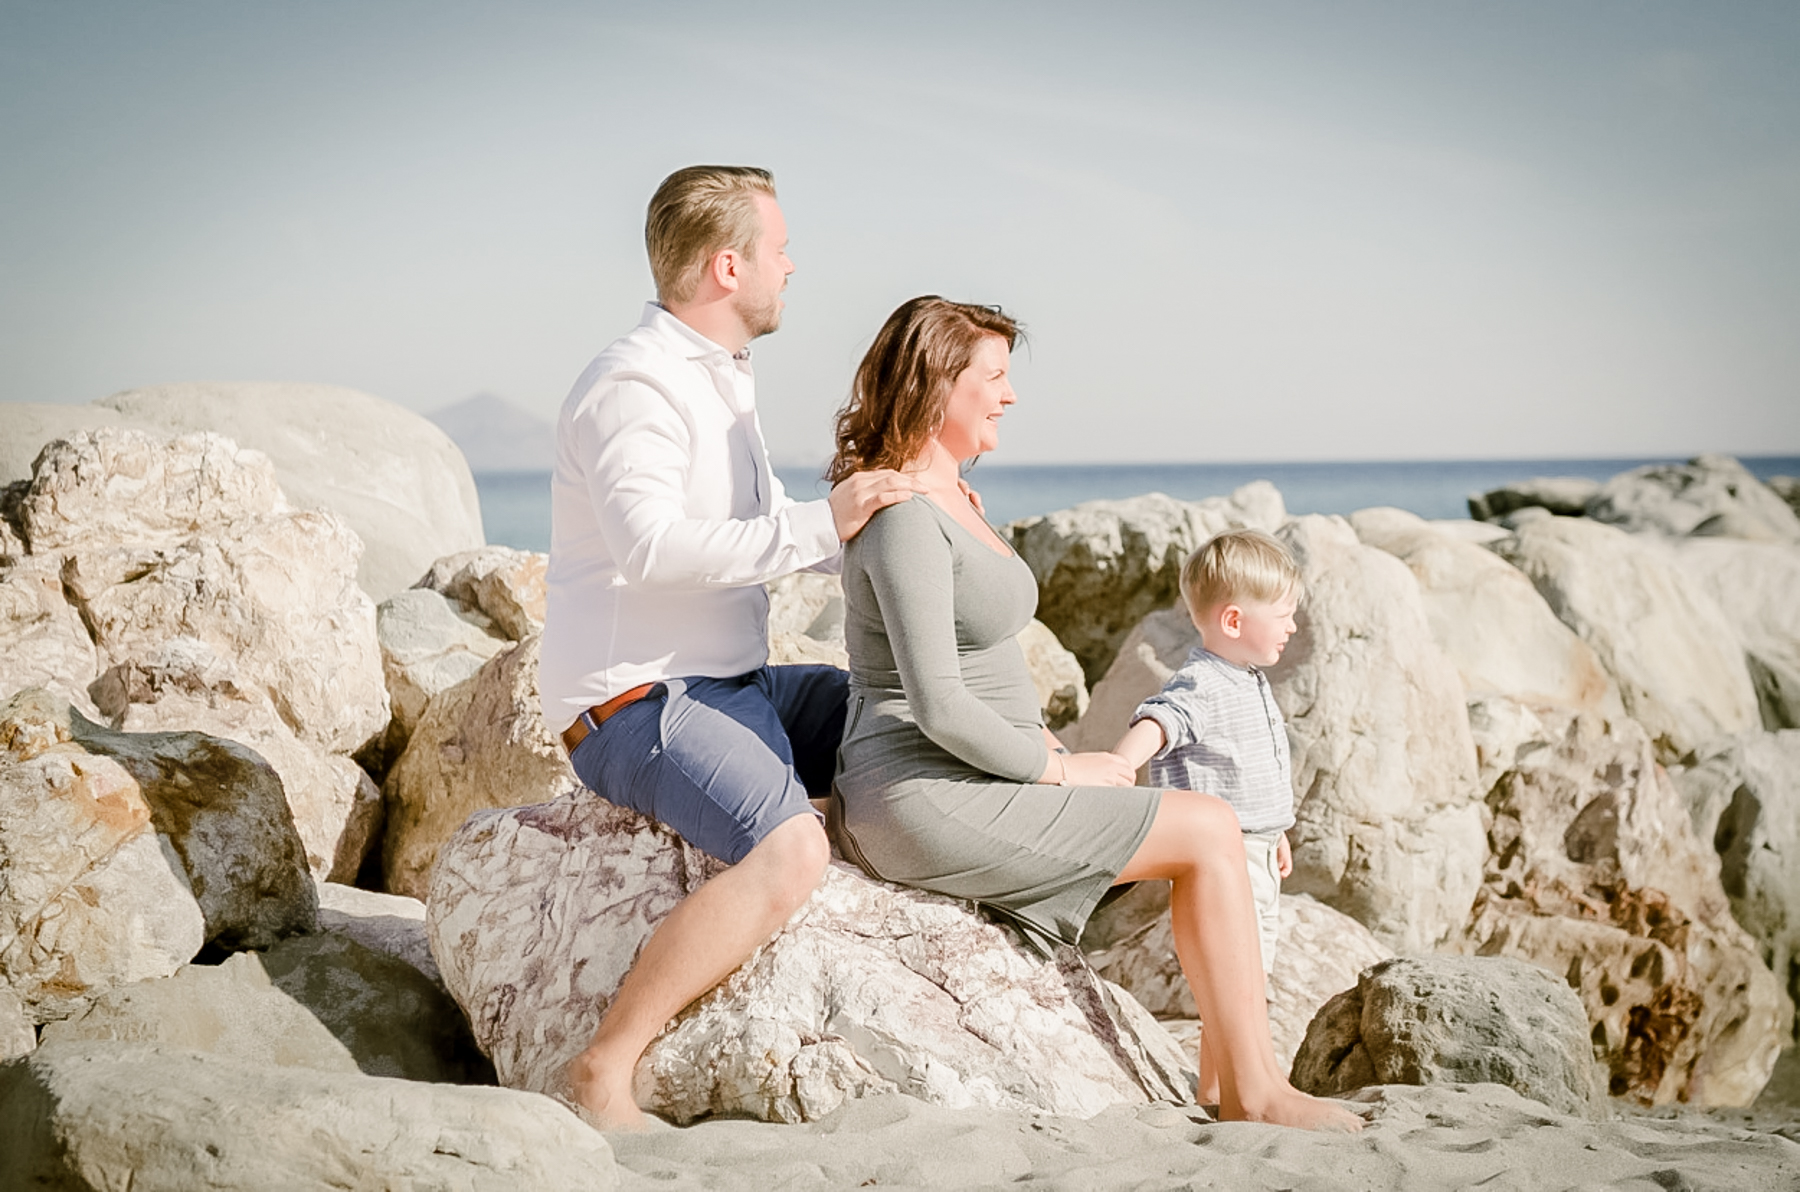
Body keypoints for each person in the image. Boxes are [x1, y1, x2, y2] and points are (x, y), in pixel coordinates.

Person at [825, 295, 1361, 1131]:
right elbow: (934, 701)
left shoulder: (956, 498)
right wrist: (1060, 767)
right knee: (1209, 831)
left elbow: (983, 662)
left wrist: (1045, 742)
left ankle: (1231, 1082)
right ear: (938, 384)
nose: (1009, 396)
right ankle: (1253, 1091)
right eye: (994, 377)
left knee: (1215, 827)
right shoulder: (902, 520)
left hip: (980, 772)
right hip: (923, 793)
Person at [539, 165, 919, 1130]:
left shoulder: (721, 383)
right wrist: (822, 525)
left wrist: (895, 543)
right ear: (725, 265)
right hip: (639, 704)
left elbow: (771, 532)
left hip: (734, 683)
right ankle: (603, 1068)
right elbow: (653, 549)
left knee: (897, 715)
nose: (793, 264)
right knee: (790, 851)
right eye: (778, 248)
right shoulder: (635, 385)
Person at [1110, 528, 1301, 1103]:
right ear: (1235, 622)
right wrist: (1121, 766)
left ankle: (1218, 1090)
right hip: (1227, 858)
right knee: (1238, 979)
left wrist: (1279, 832)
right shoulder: (1204, 683)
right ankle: (1224, 1090)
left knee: (1246, 980)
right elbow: (1161, 721)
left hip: (1258, 847)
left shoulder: (1246, 677)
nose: (1293, 626)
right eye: (1285, 614)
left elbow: (1254, 767)